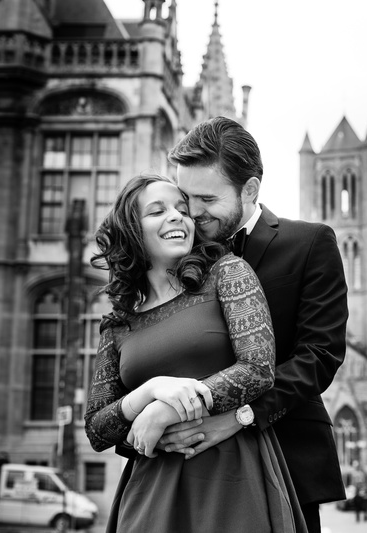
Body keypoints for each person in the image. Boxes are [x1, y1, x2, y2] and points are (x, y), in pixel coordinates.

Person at [157, 116, 348, 533]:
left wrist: (239, 415)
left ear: (250, 189)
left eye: (206, 198)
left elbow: (320, 356)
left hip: (285, 458)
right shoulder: (172, 253)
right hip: (185, 466)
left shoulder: (311, 243)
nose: (191, 212)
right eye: (184, 197)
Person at [84, 174, 306, 532]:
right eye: (158, 211)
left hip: (232, 475)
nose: (177, 217)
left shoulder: (228, 273)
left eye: (182, 210)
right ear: (131, 230)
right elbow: (96, 429)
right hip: (151, 486)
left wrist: (168, 409)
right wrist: (150, 393)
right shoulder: (117, 324)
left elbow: (257, 369)